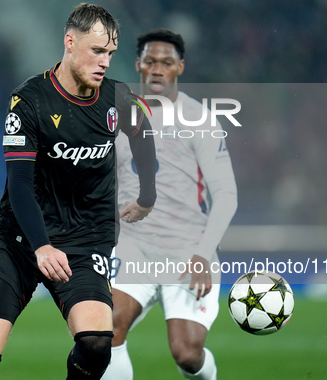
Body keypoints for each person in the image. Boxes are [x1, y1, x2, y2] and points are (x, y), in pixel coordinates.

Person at [0, 3, 157, 380]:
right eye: (97, 51)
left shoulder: (119, 98)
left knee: (96, 344)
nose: (105, 62)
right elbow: (19, 184)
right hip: (21, 239)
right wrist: (42, 246)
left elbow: (144, 136)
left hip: (85, 241)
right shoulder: (29, 100)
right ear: (70, 42)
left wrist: (148, 195)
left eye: (110, 53)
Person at [102, 29, 238, 380]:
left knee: (186, 354)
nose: (157, 69)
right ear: (138, 66)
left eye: (166, 63)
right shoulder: (115, 118)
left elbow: (226, 194)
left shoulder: (202, 120)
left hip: (187, 251)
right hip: (133, 247)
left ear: (180, 67)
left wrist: (204, 254)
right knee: (106, 331)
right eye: (150, 62)